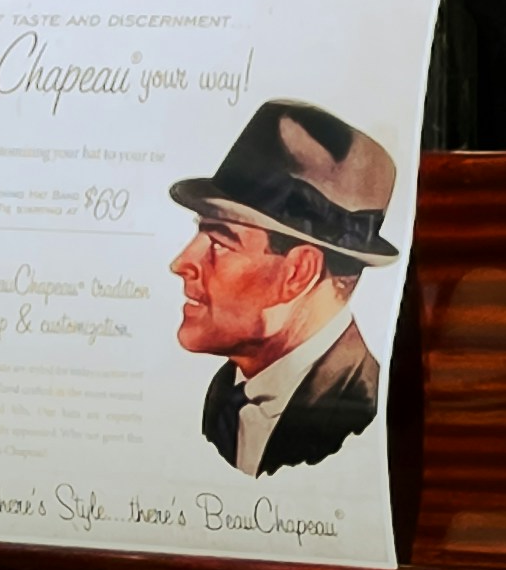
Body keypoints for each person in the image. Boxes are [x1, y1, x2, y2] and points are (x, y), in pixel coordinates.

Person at [168, 98, 403, 479]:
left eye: (220, 242)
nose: (181, 263)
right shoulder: (224, 396)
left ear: (298, 273)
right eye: (201, 233)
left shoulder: (360, 410)